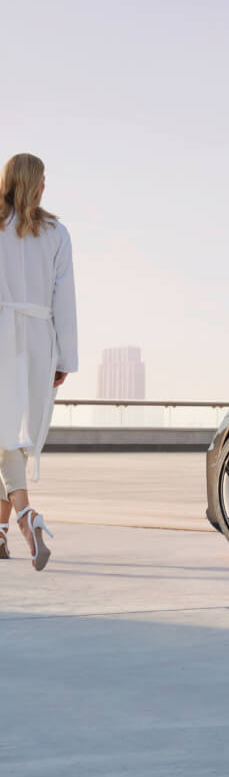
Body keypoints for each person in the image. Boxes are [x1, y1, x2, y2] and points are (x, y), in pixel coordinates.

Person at [0, 154, 78, 570]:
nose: (45, 187)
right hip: (40, 338)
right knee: (13, 432)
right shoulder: (56, 233)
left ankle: (27, 517)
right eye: (43, 180)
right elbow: (64, 300)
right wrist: (64, 356)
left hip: (2, 334)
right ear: (33, 183)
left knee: (4, 435)